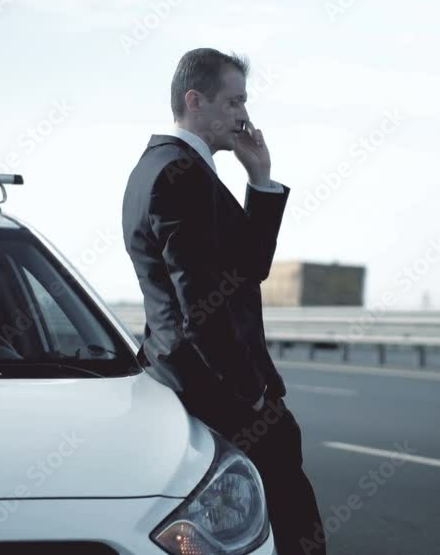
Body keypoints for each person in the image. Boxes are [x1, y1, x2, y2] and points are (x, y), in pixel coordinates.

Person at [121, 47, 326, 554]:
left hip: (192, 378)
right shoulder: (178, 174)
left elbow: (247, 269)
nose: (244, 115)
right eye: (234, 102)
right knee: (290, 519)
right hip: (214, 385)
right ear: (196, 100)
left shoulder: (163, 167)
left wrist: (259, 178)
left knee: (237, 524)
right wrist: (250, 395)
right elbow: (200, 303)